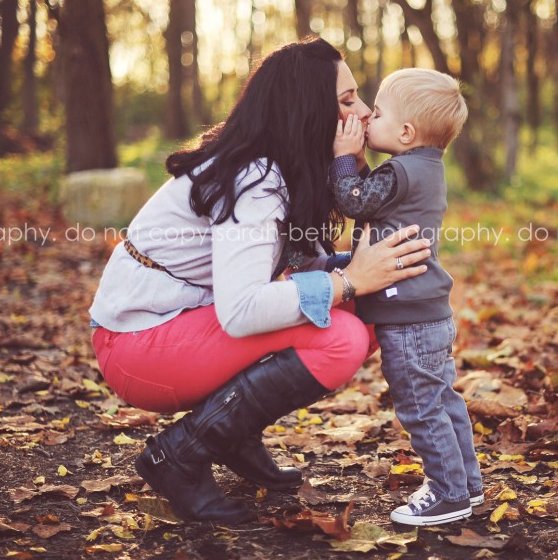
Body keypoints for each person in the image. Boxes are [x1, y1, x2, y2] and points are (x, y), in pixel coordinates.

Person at [88, 38, 433, 523]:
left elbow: (301, 270)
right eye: (346, 100)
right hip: (137, 345)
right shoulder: (256, 179)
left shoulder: (288, 169)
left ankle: (229, 433)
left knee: (375, 309)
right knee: (341, 337)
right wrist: (351, 280)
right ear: (307, 108)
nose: (361, 112)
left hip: (188, 323)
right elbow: (243, 309)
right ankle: (180, 455)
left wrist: (365, 268)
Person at [329, 68, 482, 526]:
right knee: (443, 400)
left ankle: (447, 492)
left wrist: (342, 157)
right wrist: (359, 163)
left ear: (406, 132)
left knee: (419, 406)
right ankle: (467, 485)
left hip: (409, 317)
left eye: (375, 114)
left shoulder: (400, 171)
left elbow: (356, 200)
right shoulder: (423, 169)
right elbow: (374, 196)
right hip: (430, 312)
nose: (366, 119)